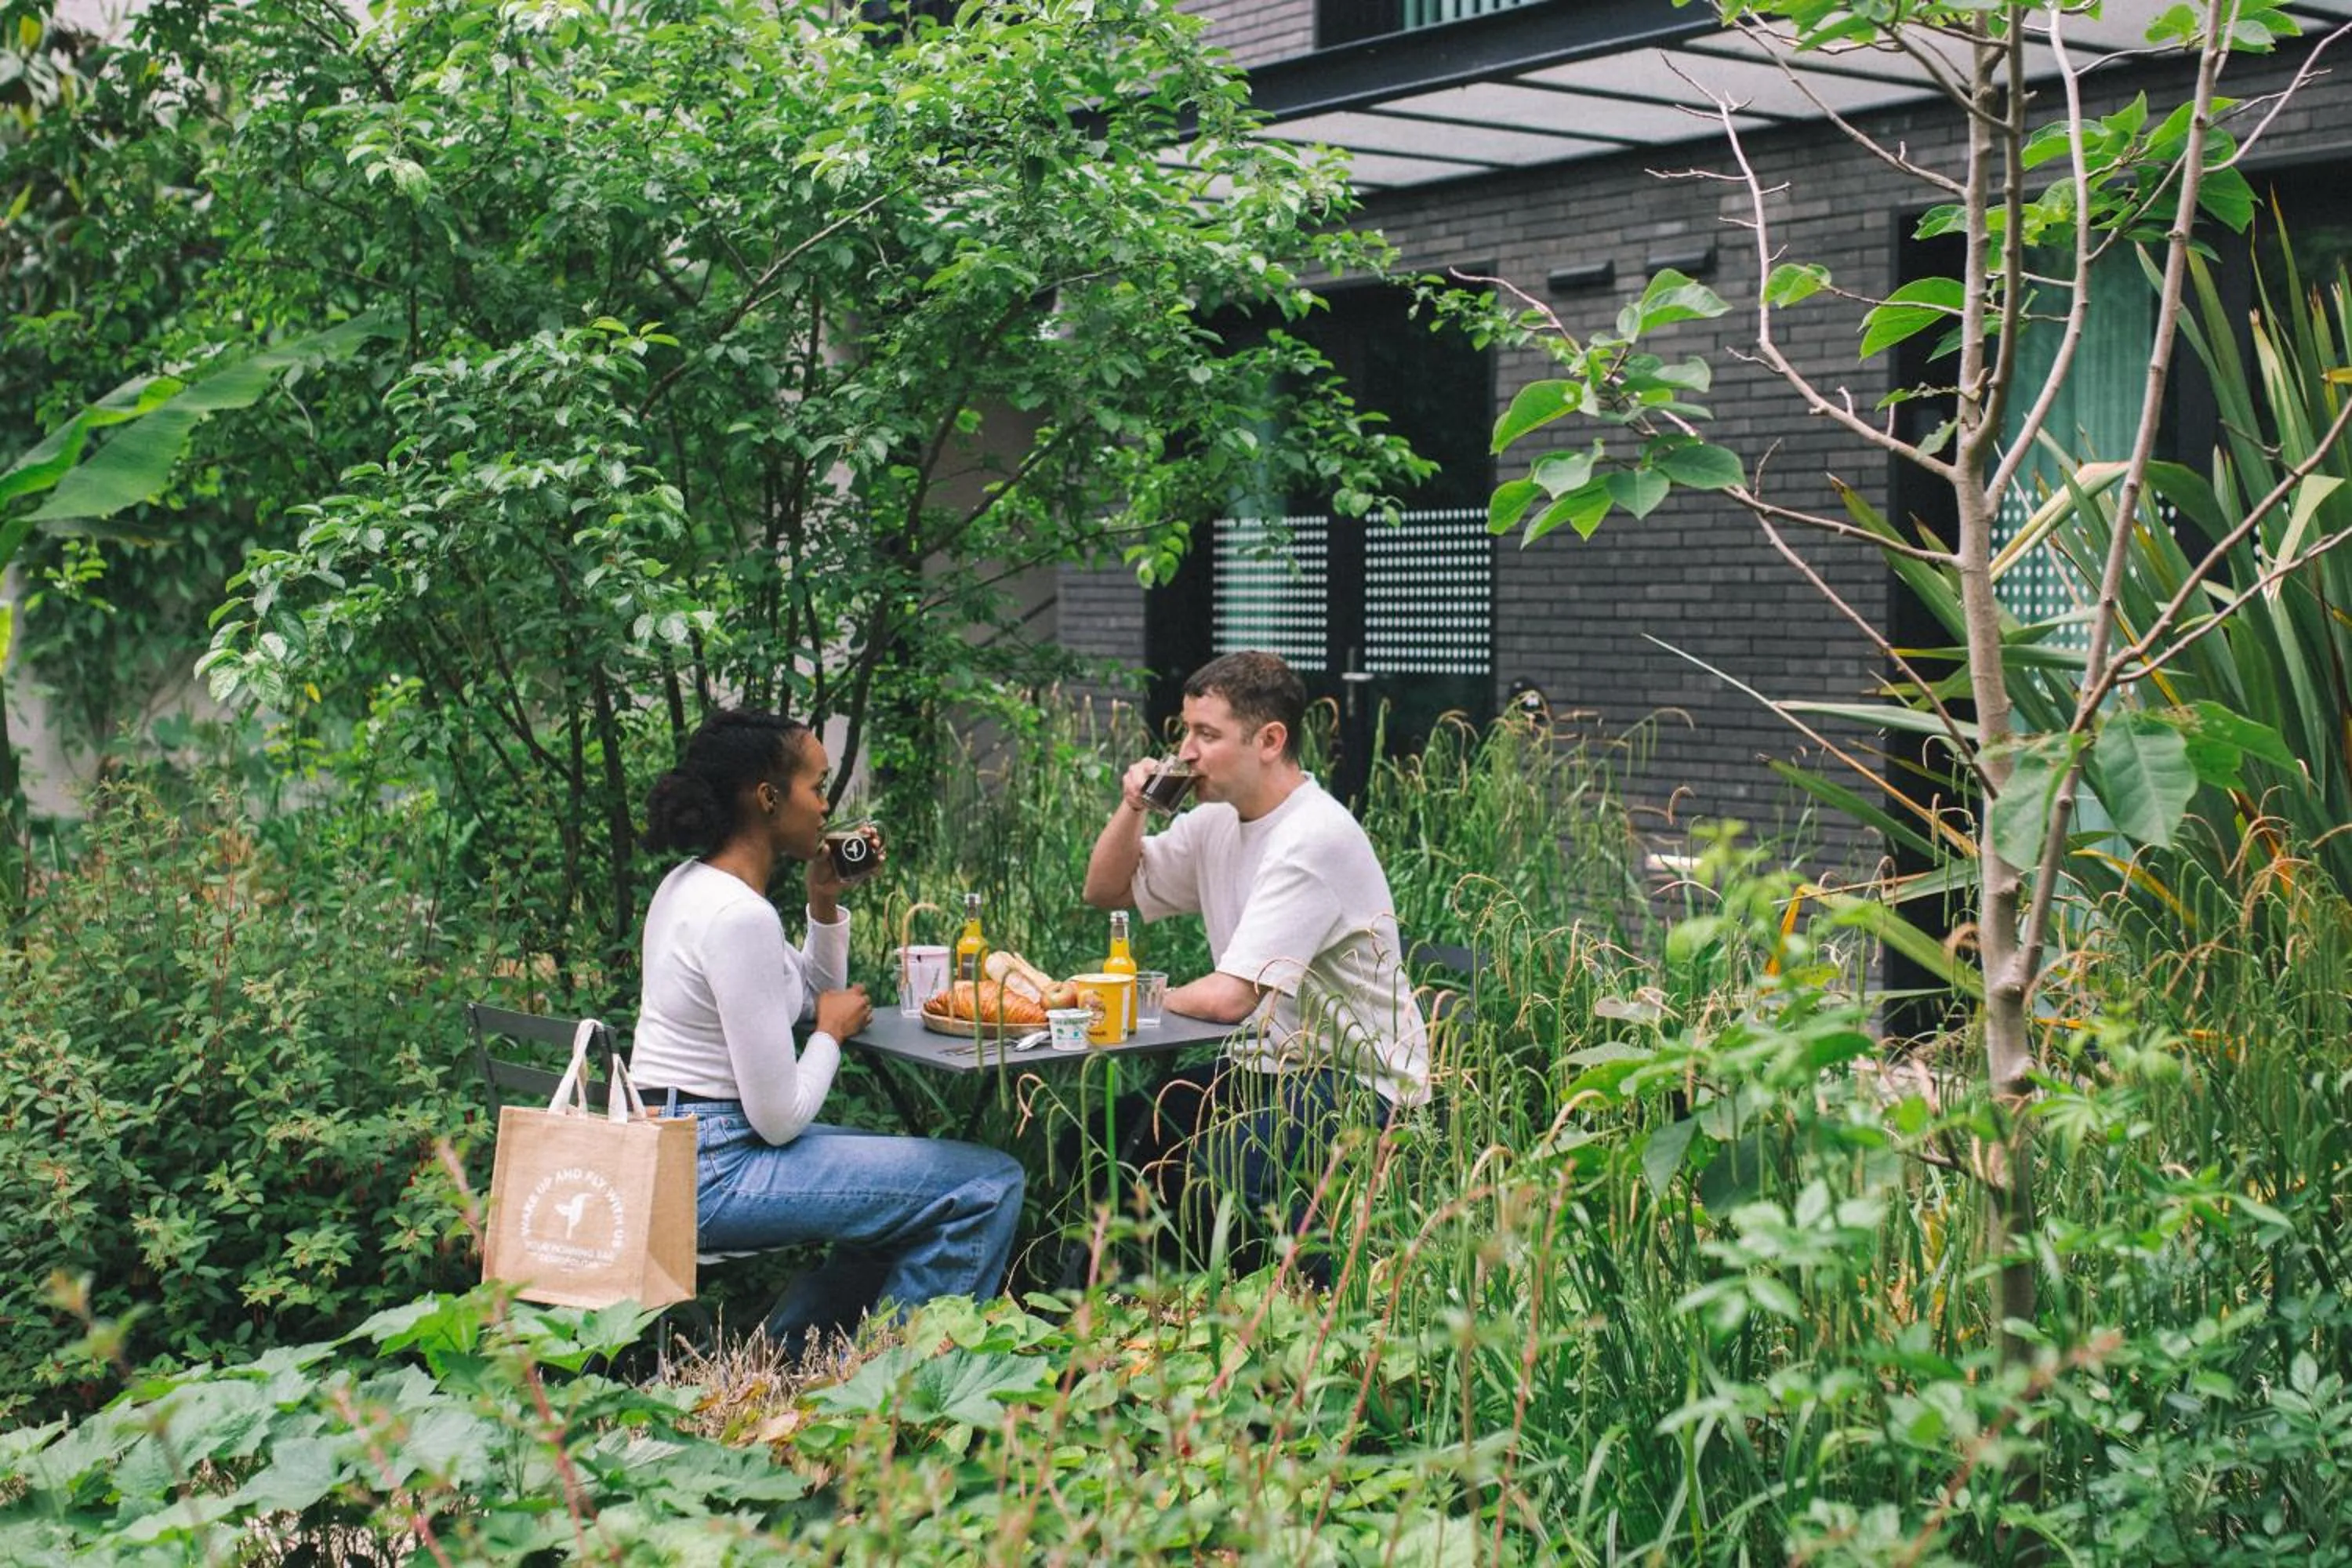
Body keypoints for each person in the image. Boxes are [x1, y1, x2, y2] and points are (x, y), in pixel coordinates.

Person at [630, 708, 1023, 1346]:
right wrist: (829, 1037)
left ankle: (792, 1361)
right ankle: (898, 1383)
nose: (826, 806)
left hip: (682, 1148)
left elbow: (813, 995)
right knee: (985, 1182)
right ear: (767, 798)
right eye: (817, 786)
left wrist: (824, 899)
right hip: (712, 1169)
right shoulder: (737, 918)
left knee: (905, 1206)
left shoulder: (694, 887)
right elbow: (780, 1116)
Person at [1081, 651, 1428, 1277]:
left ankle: (1297, 1321)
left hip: (1356, 1080)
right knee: (1116, 1134)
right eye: (1185, 731)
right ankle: (1135, 1310)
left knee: (1234, 1166)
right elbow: (1106, 891)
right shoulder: (1216, 819)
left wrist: (1119, 998)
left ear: (1270, 740)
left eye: (1206, 735)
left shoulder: (1312, 836)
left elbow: (1231, 999)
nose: (1185, 751)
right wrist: (1133, 808)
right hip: (1263, 1065)